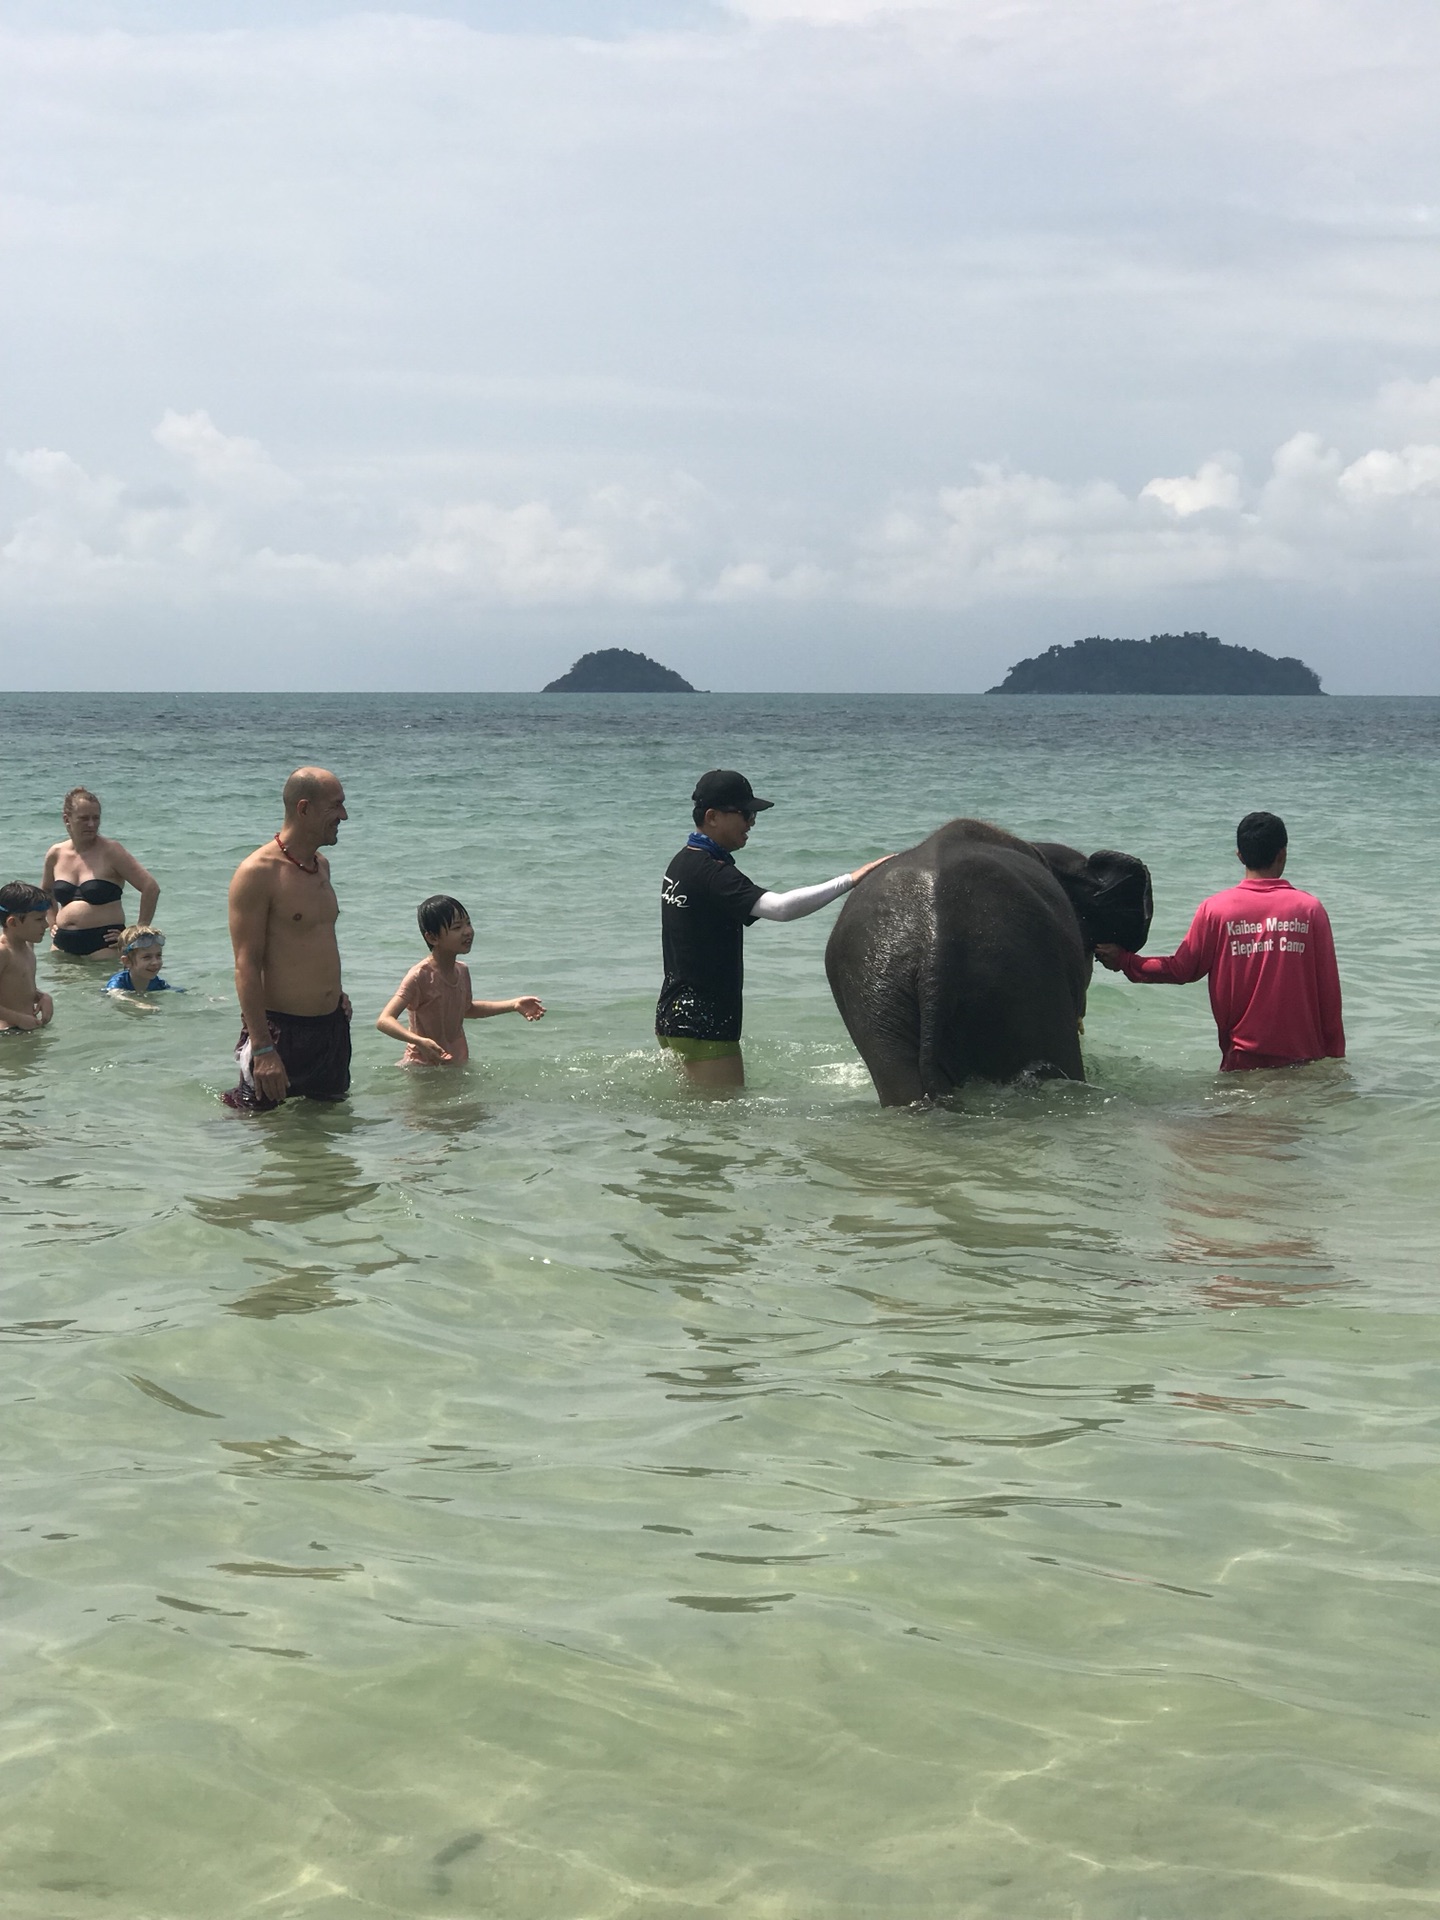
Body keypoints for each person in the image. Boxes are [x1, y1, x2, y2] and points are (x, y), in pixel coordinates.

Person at [657, 768, 892, 1090]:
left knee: (696, 1121)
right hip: (704, 1021)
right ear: (712, 817)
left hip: (673, 1014)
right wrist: (852, 879)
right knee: (722, 1122)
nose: (752, 821)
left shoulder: (682, 863)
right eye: (745, 813)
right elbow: (781, 909)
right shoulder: (713, 873)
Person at [1095, 810, 1344, 1071]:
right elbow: (1329, 994)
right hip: (1304, 1066)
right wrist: (1336, 1063)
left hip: (1242, 1064)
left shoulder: (1216, 910)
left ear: (1240, 856)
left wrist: (1125, 960)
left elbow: (1181, 969)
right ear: (1282, 853)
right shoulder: (1310, 910)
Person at [222, 768, 352, 1111]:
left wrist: (334, 994)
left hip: (331, 1029)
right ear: (304, 808)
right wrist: (263, 1049)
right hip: (279, 1034)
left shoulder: (321, 866)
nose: (344, 816)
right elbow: (245, 966)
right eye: (336, 806)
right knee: (261, 1136)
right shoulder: (258, 873)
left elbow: (313, 941)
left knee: (328, 1136)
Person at [376, 894, 545, 1065]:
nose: (467, 931)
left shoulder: (461, 970)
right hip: (423, 1065)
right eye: (457, 927)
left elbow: (466, 1009)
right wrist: (420, 1041)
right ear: (432, 938)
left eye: (468, 923)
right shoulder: (420, 975)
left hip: (457, 1061)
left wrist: (513, 1005)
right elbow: (384, 1020)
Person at [42, 787, 159, 958]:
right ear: (67, 819)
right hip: (62, 947)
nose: (91, 824)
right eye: (84, 818)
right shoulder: (56, 853)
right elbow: (45, 891)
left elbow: (150, 887)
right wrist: (52, 921)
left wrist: (138, 931)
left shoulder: (112, 851)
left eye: (96, 818)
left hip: (103, 948)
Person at [0, 883, 55, 1032]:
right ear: (13, 922)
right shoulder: (3, 952)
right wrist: (17, 1019)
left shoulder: (28, 946)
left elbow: (16, 988)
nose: (46, 925)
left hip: (26, 1028)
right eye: (38, 919)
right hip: (6, 1034)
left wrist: (42, 996)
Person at [104, 926, 174, 997]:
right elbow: (116, 995)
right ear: (127, 961)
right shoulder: (119, 981)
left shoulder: (158, 983)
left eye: (158, 955)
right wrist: (139, 1004)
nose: (155, 962)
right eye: (147, 957)